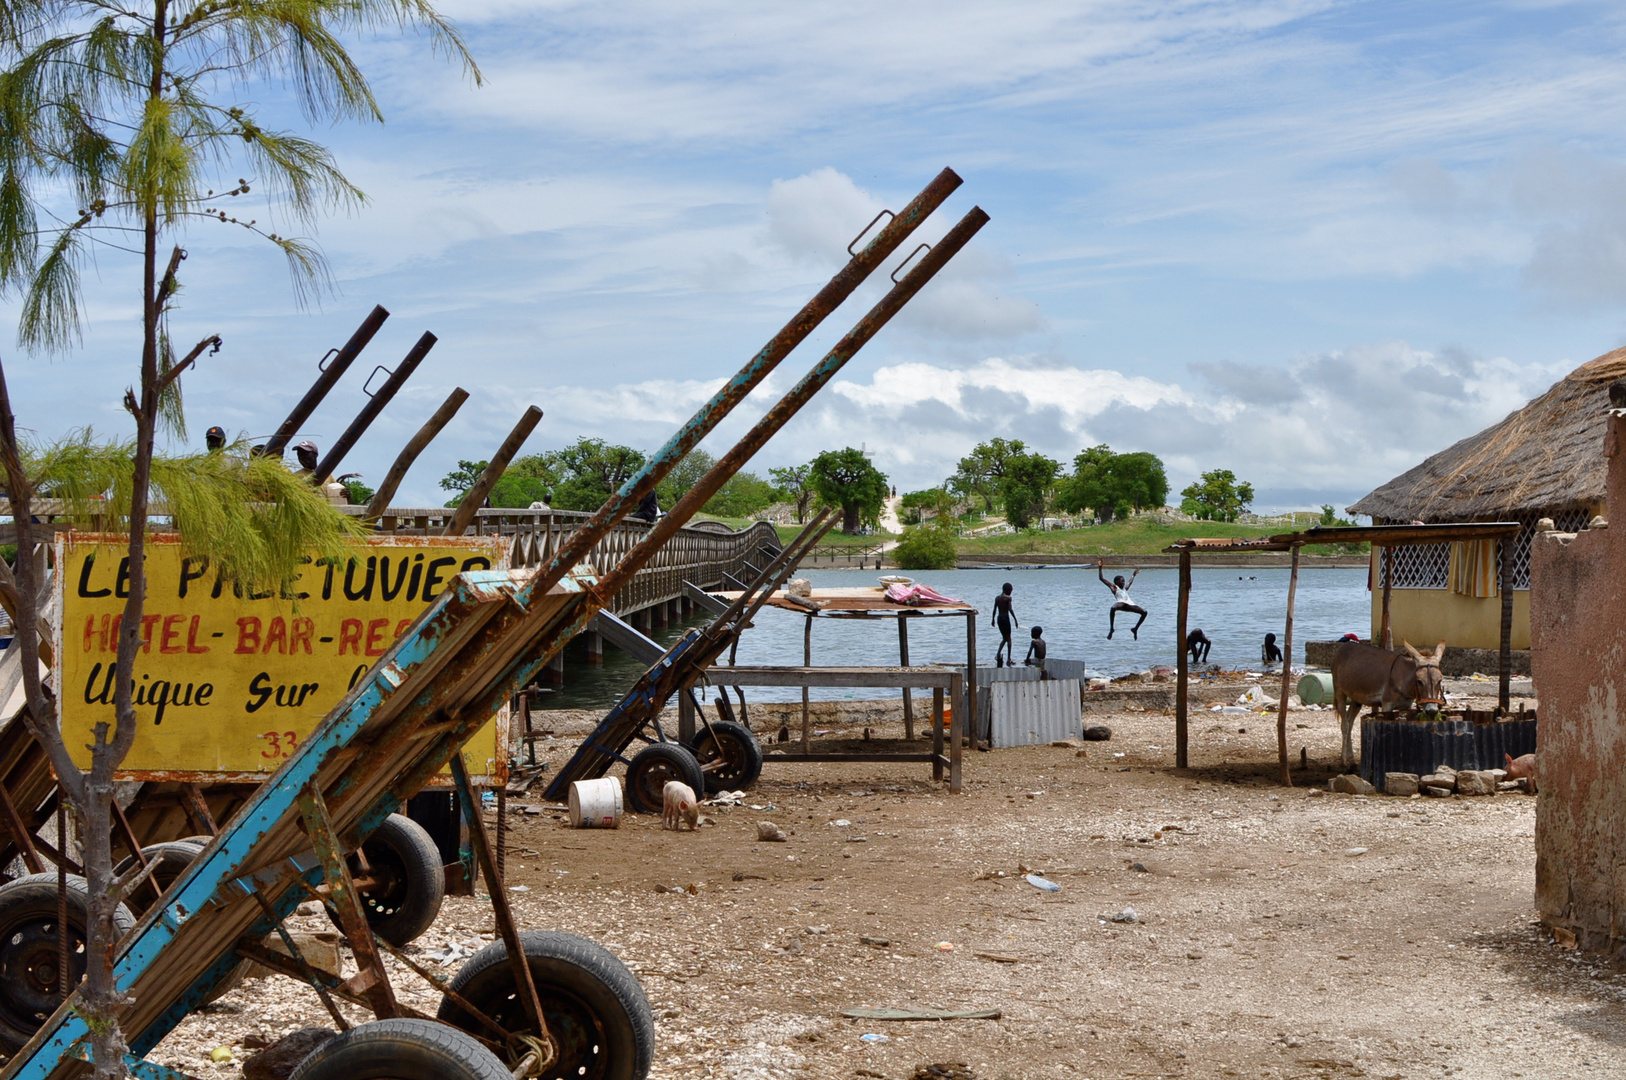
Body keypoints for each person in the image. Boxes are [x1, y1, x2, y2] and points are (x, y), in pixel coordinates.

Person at [1097, 560, 1147, 640]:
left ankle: (1135, 629)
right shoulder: (1114, 587)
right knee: (1113, 608)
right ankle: (1111, 629)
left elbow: (1130, 582)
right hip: (1121, 604)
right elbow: (1101, 578)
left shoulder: (1125, 589)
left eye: (1124, 581)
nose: (1123, 583)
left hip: (1130, 605)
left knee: (1144, 612)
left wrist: (1133, 575)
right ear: (1117, 582)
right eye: (1122, 581)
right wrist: (1100, 567)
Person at [991, 582, 1017, 666]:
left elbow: (994, 609)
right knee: (1009, 639)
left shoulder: (997, 598)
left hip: (999, 619)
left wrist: (993, 620)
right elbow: (1010, 609)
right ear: (1008, 590)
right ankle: (1009, 659)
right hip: (1005, 618)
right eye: (1011, 590)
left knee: (1004, 638)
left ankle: (998, 654)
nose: (1011, 592)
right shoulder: (1008, 598)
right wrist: (1015, 619)